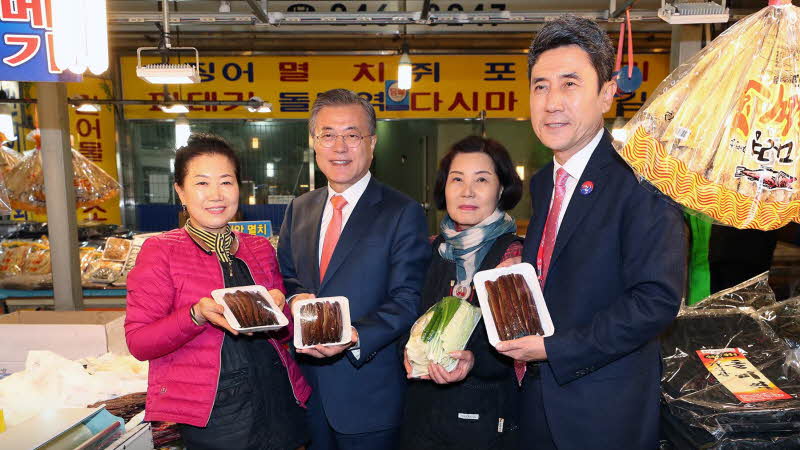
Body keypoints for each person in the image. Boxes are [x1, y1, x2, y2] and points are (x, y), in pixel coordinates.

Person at [493, 16, 687, 449]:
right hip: (537, 400)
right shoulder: (546, 181)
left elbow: (655, 300)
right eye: (540, 86)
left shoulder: (642, 180)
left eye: (570, 84)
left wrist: (553, 349)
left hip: (604, 411)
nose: (552, 102)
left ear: (606, 93)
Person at [125, 134, 311, 450]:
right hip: (216, 414)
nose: (216, 195)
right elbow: (139, 342)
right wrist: (195, 315)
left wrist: (288, 310)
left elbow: (282, 335)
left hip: (280, 400)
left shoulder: (258, 247)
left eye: (226, 182)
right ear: (180, 191)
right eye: (201, 183)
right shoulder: (161, 251)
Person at [277, 88, 430, 449]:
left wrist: (355, 336)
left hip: (369, 395)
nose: (339, 146)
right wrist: (297, 298)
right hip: (306, 392)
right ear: (314, 142)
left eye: (352, 135)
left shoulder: (401, 212)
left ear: (372, 143)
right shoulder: (299, 208)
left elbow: (408, 298)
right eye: (328, 135)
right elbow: (287, 277)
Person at [400, 136, 523, 450]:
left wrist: (476, 360)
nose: (467, 191)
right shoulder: (430, 251)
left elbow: (523, 348)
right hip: (421, 421)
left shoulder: (514, 256)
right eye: (457, 179)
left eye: (482, 179)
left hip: (483, 421)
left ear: (501, 189)